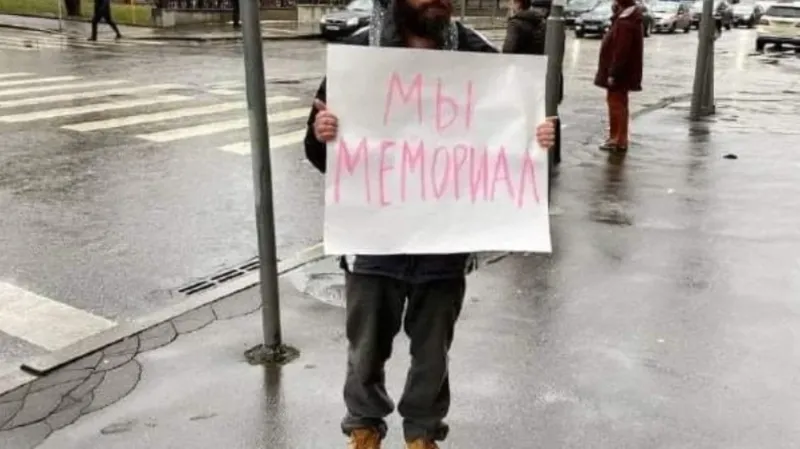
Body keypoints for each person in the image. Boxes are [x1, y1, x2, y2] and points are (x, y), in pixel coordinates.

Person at [303, 0, 557, 446]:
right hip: (373, 240)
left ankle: (422, 433)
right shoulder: (360, 55)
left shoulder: (479, 58)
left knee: (432, 354)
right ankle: (364, 427)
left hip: (445, 243)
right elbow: (322, 156)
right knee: (365, 349)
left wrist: (544, 139)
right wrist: (322, 132)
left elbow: (522, 139)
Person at [502, 0, 563, 166]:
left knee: (523, 115)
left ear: (516, 3)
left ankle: (524, 153)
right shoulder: (543, 22)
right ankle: (552, 155)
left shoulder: (516, 23)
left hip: (523, 76)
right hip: (542, 75)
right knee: (546, 115)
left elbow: (508, 51)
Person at [594, 0, 643, 152]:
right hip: (624, 72)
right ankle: (619, 138)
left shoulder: (625, 22)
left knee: (616, 104)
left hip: (620, 73)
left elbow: (621, 50)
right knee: (620, 104)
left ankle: (617, 139)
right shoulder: (627, 19)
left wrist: (613, 73)